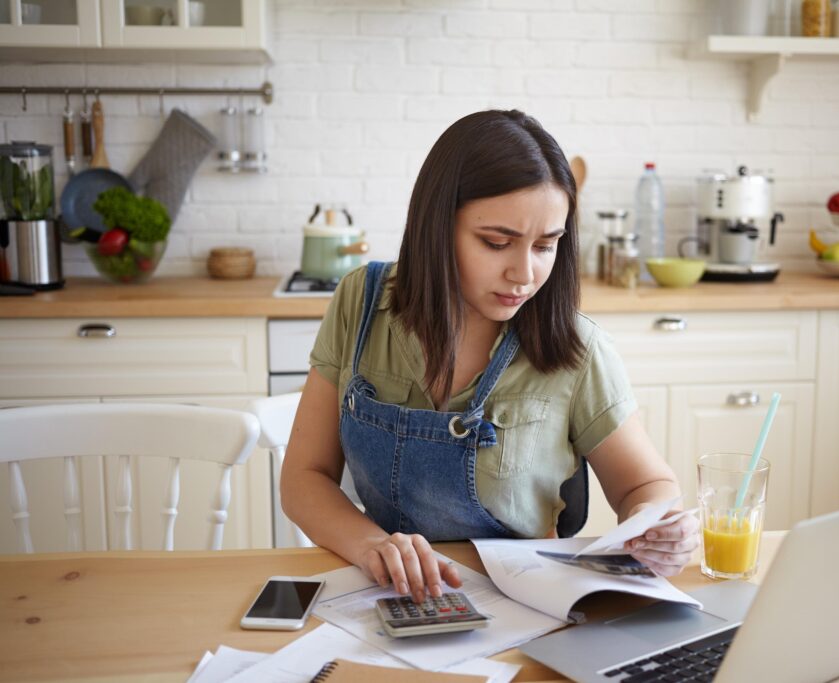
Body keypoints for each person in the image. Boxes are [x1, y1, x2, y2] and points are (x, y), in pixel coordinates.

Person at [281, 109, 700, 604]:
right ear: (437, 225)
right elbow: (303, 478)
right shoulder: (362, 302)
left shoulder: (577, 348)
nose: (524, 273)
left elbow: (647, 485)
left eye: (546, 246)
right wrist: (373, 546)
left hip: (527, 604)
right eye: (497, 243)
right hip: (385, 595)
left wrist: (660, 527)